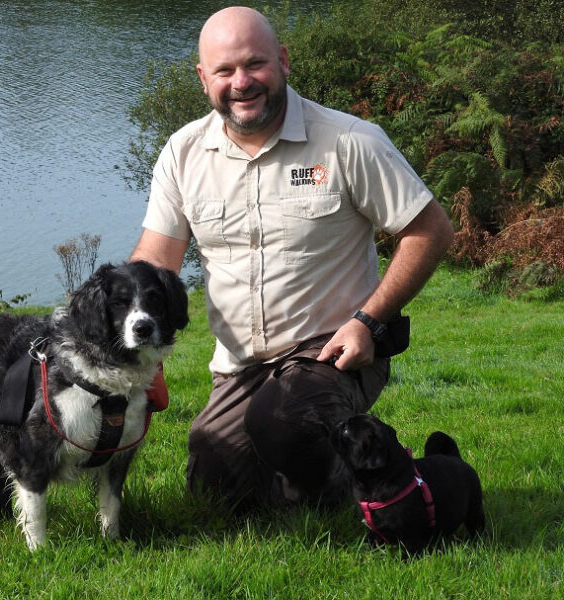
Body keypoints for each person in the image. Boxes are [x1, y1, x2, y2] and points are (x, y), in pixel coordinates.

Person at [131, 6, 454, 511]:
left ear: (282, 60)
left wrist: (368, 322)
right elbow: (156, 259)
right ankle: (323, 472)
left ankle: (369, 485)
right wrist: (134, 344)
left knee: (282, 422)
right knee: (215, 487)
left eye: (255, 64)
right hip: (241, 366)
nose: (241, 82)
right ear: (203, 78)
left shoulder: (349, 141)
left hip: (334, 352)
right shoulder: (183, 152)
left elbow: (430, 229)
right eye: (224, 70)